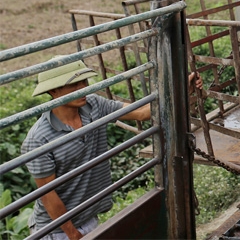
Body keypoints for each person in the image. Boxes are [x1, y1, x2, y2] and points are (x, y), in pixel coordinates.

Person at [21, 58, 203, 240]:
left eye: (84, 82)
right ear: (54, 91)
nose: (83, 88)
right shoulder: (39, 139)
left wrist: (182, 90)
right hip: (57, 231)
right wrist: (72, 234)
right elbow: (48, 195)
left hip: (88, 219)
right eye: (74, 85)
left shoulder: (94, 105)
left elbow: (142, 112)